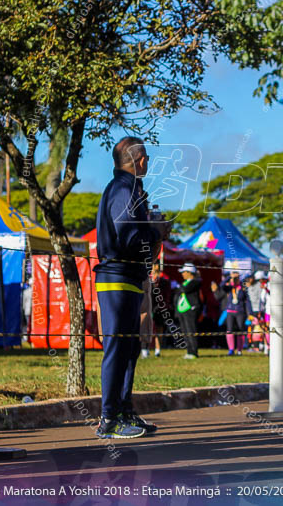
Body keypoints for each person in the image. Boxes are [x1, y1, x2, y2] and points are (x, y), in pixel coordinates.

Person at [93, 136, 170, 439]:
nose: (148, 163)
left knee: (130, 348)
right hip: (116, 277)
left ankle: (124, 410)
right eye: (147, 158)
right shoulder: (124, 189)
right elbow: (128, 237)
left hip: (129, 277)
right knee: (117, 347)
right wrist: (155, 233)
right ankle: (108, 418)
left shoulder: (129, 189)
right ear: (139, 160)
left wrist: (152, 232)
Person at [213, 270, 249, 356]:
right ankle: (231, 349)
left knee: (240, 330)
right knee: (229, 330)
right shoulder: (229, 287)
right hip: (230, 311)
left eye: (236, 278)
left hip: (240, 311)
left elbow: (247, 300)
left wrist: (249, 313)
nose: (235, 280)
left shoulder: (242, 286)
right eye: (234, 278)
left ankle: (239, 350)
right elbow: (220, 286)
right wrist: (230, 277)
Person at [175, 263, 202, 359]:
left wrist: (178, 287)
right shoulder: (184, 283)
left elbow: (185, 290)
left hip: (190, 310)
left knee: (191, 331)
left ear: (190, 272)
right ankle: (189, 351)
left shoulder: (196, 281)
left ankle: (194, 352)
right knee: (185, 331)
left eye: (184, 272)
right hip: (182, 311)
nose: (182, 274)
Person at [148, 262, 173, 357]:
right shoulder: (148, 277)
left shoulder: (165, 278)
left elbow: (167, 294)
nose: (156, 267)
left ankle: (157, 349)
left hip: (160, 307)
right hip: (149, 306)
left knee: (159, 329)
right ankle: (145, 349)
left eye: (157, 265)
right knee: (148, 328)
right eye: (154, 265)